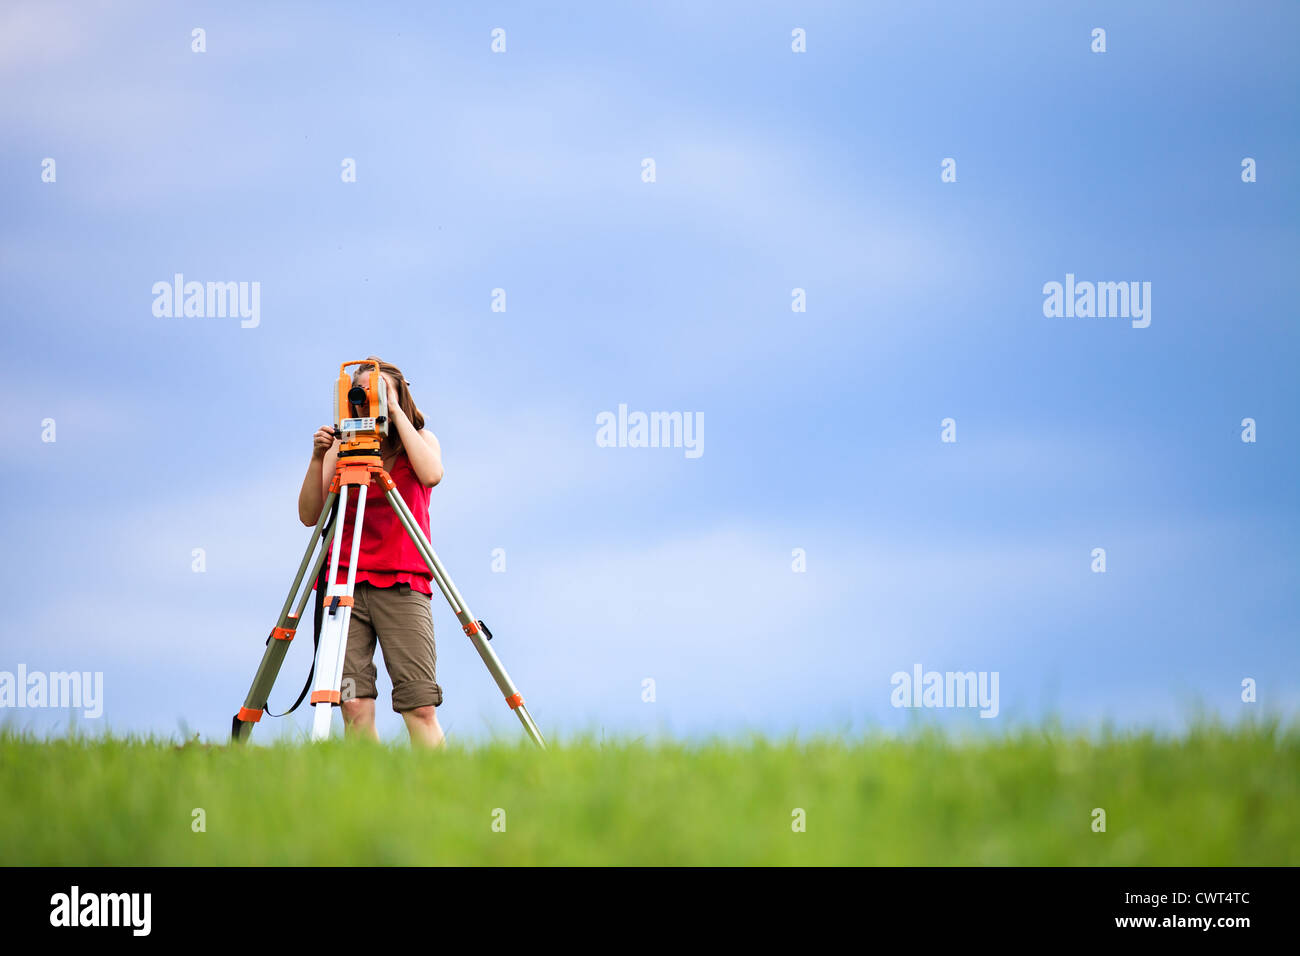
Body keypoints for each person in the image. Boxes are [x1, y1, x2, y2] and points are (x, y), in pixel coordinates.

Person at [296, 356, 446, 747]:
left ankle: (439, 790)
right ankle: (370, 790)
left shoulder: (421, 441)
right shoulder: (342, 449)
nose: (368, 403)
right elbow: (309, 515)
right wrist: (319, 457)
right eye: (361, 395)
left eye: (378, 393)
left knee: (420, 705)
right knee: (354, 705)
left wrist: (395, 413)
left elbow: (431, 474)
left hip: (402, 581)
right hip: (345, 582)